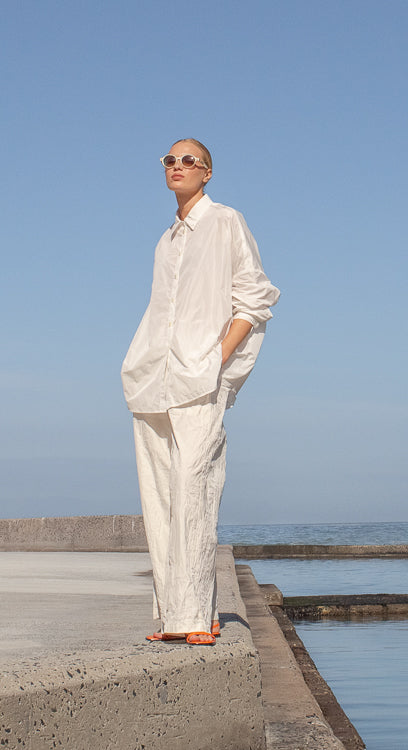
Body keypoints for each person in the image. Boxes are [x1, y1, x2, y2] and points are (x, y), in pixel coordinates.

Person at [121, 138, 280, 646]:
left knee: (195, 487)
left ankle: (193, 614)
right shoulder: (165, 241)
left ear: (207, 172)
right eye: (170, 160)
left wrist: (218, 358)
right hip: (152, 377)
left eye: (189, 160)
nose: (178, 166)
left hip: (199, 377)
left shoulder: (226, 221)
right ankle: (180, 615)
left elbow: (254, 297)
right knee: (161, 496)